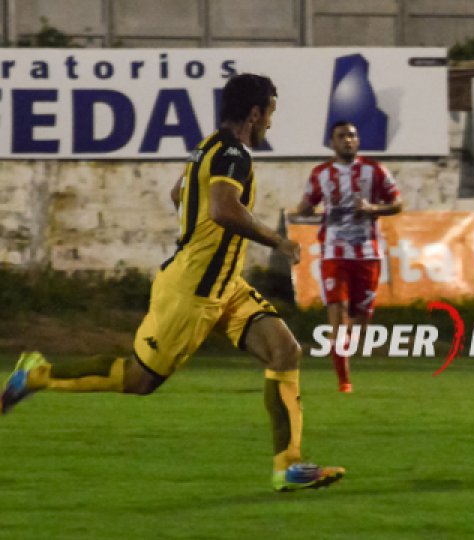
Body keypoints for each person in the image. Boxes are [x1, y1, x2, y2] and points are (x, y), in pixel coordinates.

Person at [1, 73, 345, 492]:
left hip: (224, 284)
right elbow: (222, 209)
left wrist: (199, 231)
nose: (270, 123)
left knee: (285, 350)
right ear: (254, 114)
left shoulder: (208, 147)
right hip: (194, 291)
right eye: (270, 113)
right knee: (139, 380)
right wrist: (277, 240)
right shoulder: (233, 153)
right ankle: (35, 375)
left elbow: (178, 194)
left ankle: (288, 466)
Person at [294, 121, 403, 392]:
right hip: (334, 252)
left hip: (367, 254)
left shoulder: (375, 170)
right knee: (339, 315)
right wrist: (305, 210)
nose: (348, 140)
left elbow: (398, 203)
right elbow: (306, 205)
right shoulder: (321, 173)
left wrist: (371, 207)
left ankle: (343, 349)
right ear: (332, 142)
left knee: (360, 321)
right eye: (342, 136)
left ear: (358, 140)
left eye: (352, 135)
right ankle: (344, 381)